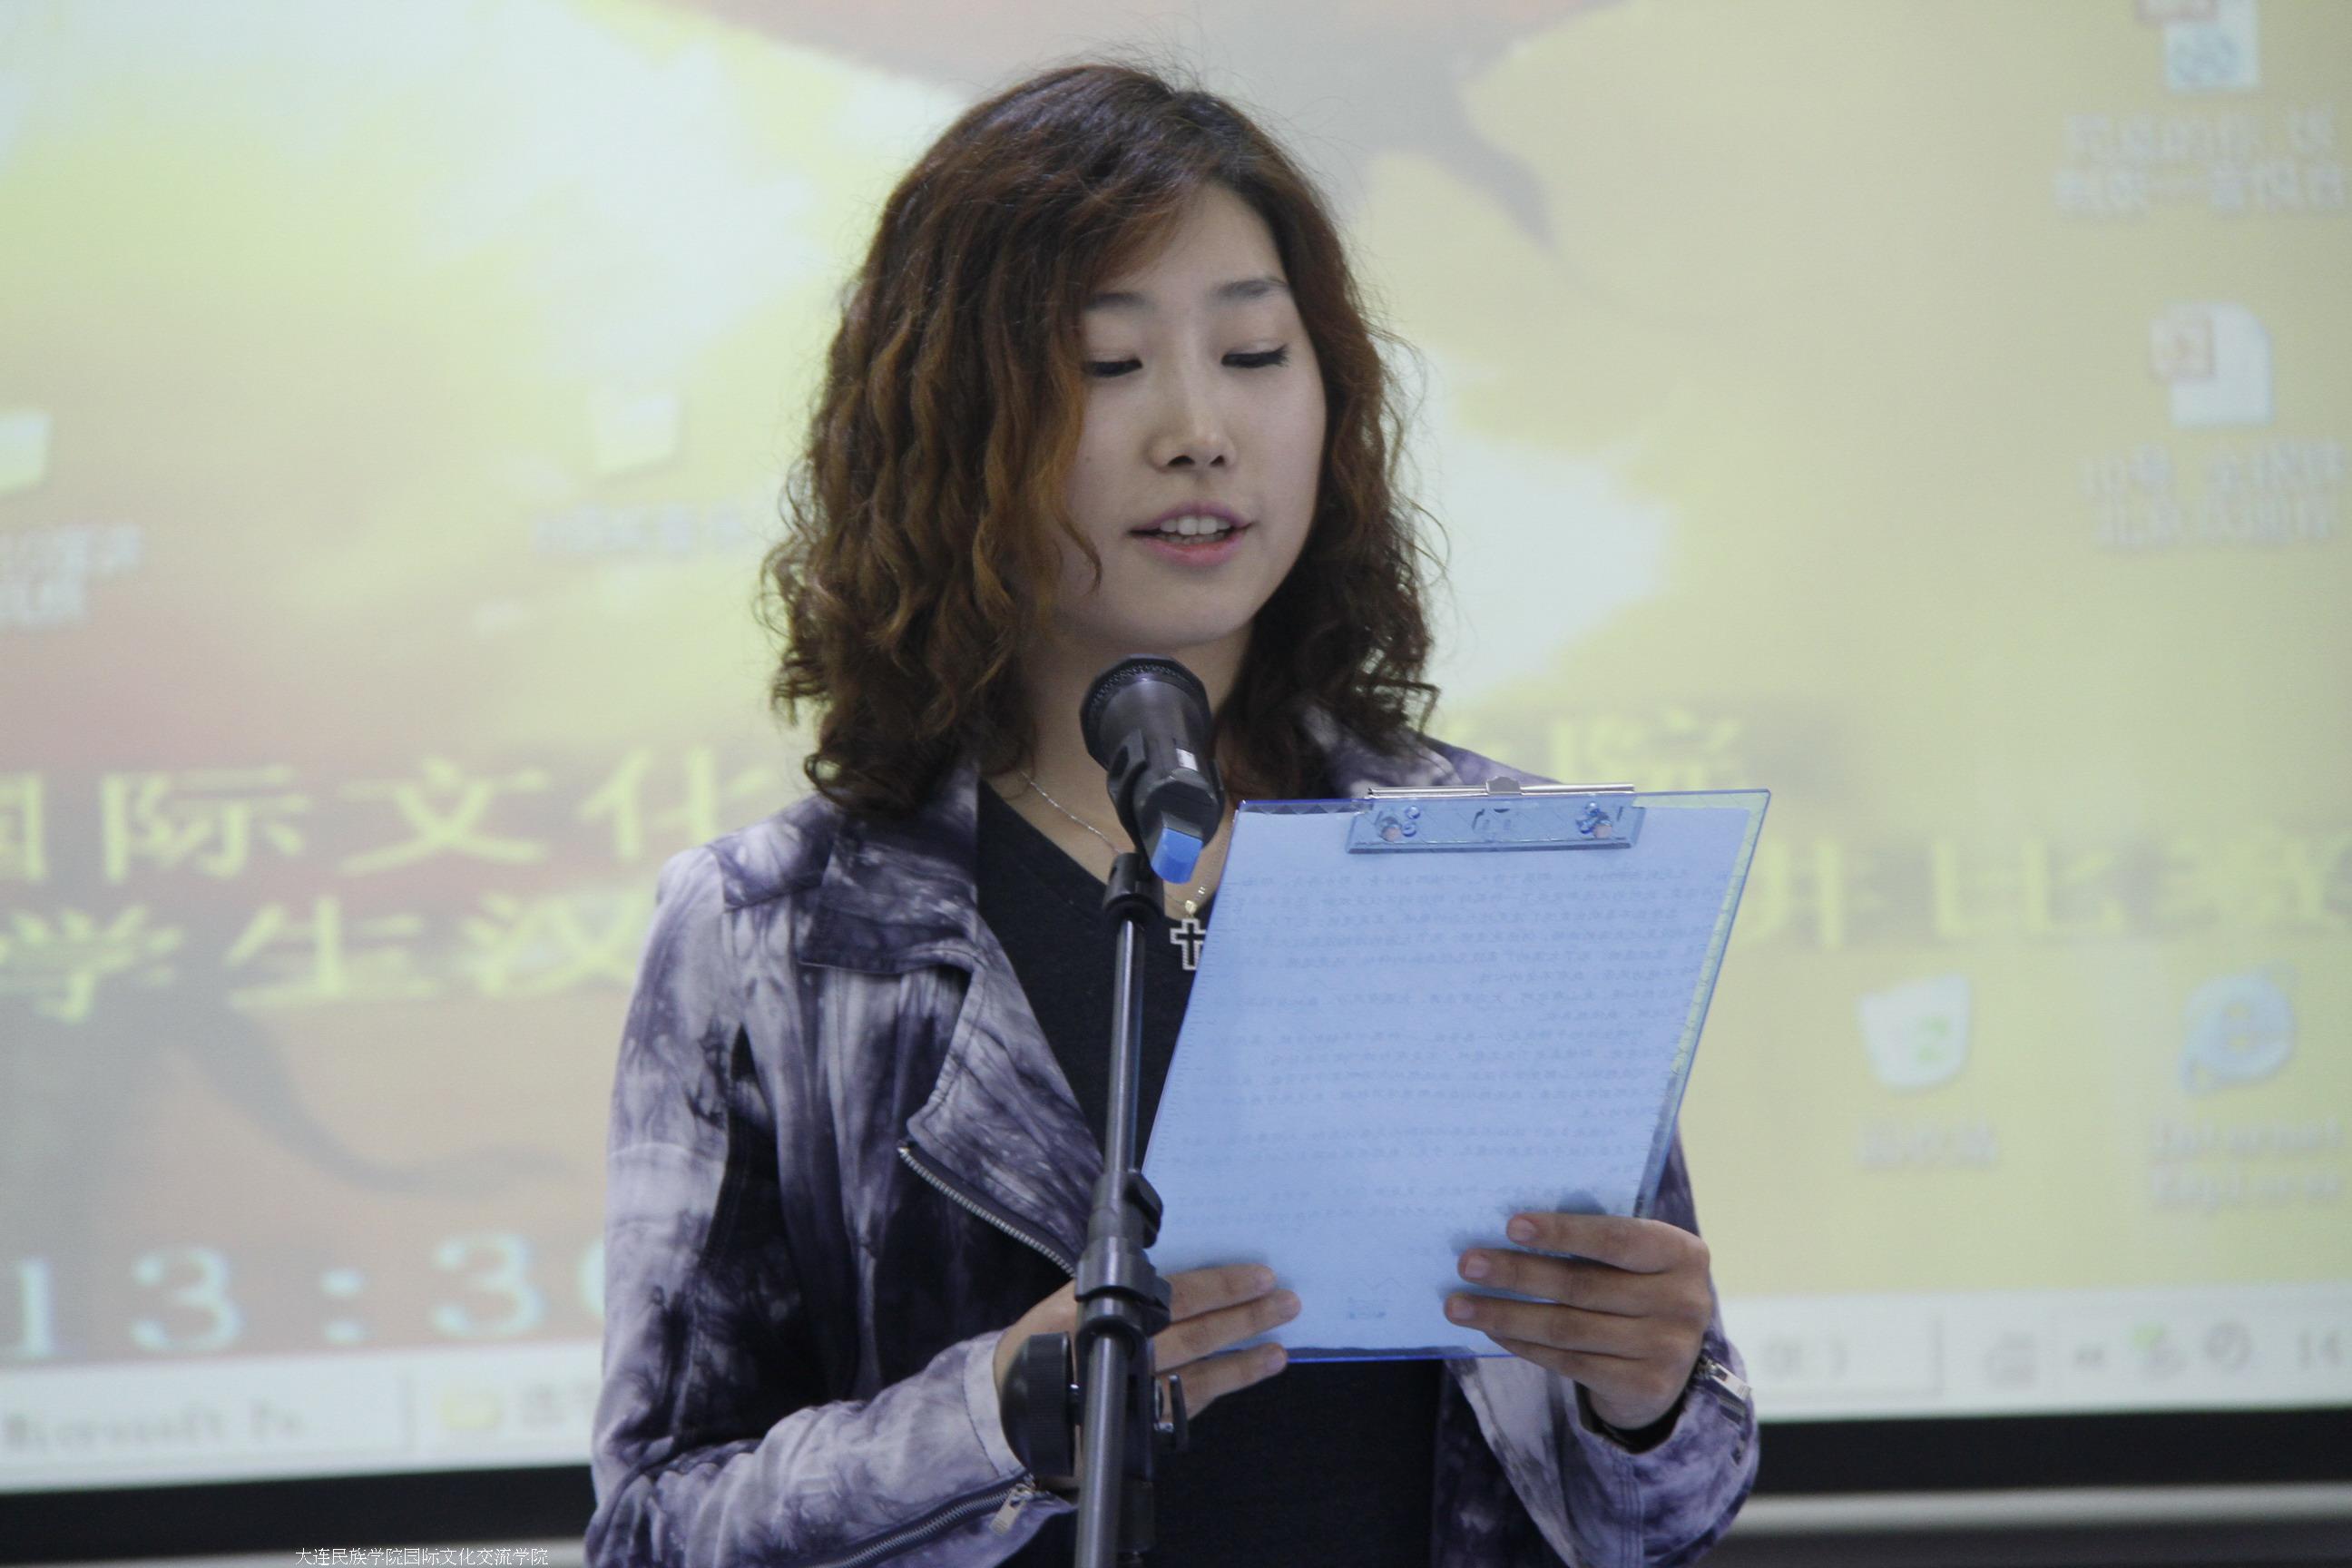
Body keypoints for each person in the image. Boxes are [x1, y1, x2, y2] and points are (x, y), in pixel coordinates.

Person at [585, 59, 1757, 1568]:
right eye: (1109, 363)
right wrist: (996, 1417)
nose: (1200, 428)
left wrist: (1648, 1398)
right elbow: (656, 1529)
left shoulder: (1503, 865)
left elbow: (1665, 1507)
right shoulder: (779, 936)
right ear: (950, 421)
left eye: (1256, 352)